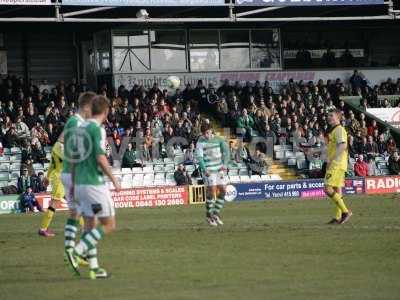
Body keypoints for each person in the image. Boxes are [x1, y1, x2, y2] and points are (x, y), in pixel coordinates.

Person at [65, 95, 121, 280]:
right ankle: (78, 250)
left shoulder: (79, 128)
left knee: (91, 224)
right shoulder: (96, 129)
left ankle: (94, 268)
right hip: (94, 185)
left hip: (80, 184)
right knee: (109, 224)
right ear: (105, 112)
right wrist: (113, 179)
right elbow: (100, 157)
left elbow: (72, 157)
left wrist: (73, 184)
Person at [62, 92, 95, 251]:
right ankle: (80, 251)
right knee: (91, 214)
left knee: (75, 212)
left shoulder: (72, 121)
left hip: (68, 171)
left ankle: (69, 249)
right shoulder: (77, 123)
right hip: (74, 173)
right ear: (87, 107)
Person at [196, 123, 229, 227]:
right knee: (212, 190)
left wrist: (225, 164)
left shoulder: (219, 139)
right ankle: (208, 215)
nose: (206, 135)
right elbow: (200, 157)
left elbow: (226, 151)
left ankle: (215, 214)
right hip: (209, 170)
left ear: (211, 130)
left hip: (219, 169)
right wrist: (204, 169)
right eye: (204, 133)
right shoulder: (200, 142)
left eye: (207, 132)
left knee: (223, 190)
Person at [324, 109, 352, 225]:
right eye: (328, 115)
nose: (329, 117)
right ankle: (337, 216)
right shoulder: (333, 131)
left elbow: (343, 145)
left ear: (338, 117)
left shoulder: (339, 129)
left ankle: (346, 212)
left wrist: (331, 159)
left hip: (337, 163)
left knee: (327, 188)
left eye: (331, 115)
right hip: (339, 163)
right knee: (337, 189)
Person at [38, 140, 64, 237]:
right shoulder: (63, 149)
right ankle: (43, 228)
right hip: (60, 179)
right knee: (54, 204)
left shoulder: (56, 146)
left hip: (60, 177)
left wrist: (47, 177)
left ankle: (85, 228)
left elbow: (52, 165)